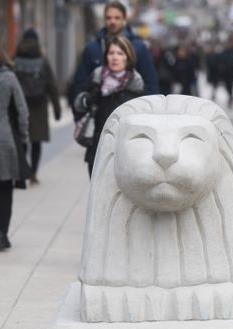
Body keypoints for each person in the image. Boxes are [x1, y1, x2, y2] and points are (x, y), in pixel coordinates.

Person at [74, 36, 144, 176]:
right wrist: (87, 100)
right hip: (98, 144)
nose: (115, 57)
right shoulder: (97, 77)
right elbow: (79, 104)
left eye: (120, 53)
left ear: (127, 57)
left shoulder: (135, 83)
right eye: (111, 53)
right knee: (97, 193)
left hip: (125, 147)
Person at [71, 1, 158, 102]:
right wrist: (81, 106)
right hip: (100, 110)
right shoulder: (92, 48)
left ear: (124, 19)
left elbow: (150, 82)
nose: (113, 21)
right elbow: (80, 82)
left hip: (131, 110)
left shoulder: (139, 47)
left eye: (117, 18)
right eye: (109, 18)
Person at [14, 28, 61, 184]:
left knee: (21, 141)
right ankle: (33, 174)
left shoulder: (15, 59)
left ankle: (22, 173)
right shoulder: (42, 60)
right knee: (36, 141)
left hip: (19, 107)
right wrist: (57, 109)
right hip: (39, 106)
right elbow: (52, 85)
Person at [0, 46, 29, 250]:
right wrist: (23, 137)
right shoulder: (8, 78)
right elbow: (22, 110)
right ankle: (2, 234)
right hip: (4, 141)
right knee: (4, 190)